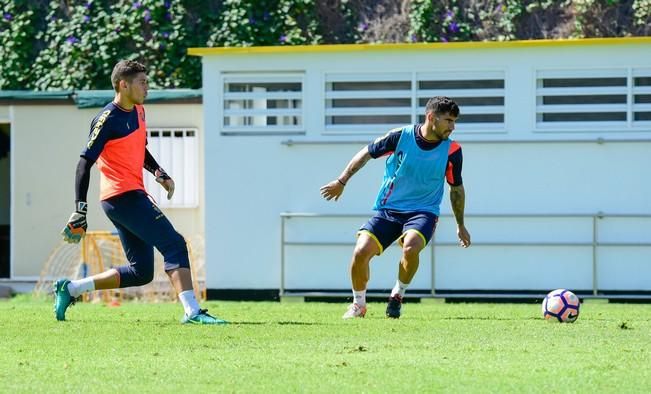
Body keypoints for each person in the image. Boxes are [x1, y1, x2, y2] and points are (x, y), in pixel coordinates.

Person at [56, 59, 226, 325]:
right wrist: (80, 209)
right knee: (174, 244)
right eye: (142, 82)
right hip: (121, 197)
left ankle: (72, 289)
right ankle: (192, 311)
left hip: (132, 195)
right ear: (124, 85)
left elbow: (139, 149)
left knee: (141, 272)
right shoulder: (106, 118)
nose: (147, 87)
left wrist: (159, 173)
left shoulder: (139, 112)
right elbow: (83, 163)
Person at [320, 96, 471, 319]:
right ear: (431, 117)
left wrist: (460, 224)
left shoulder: (453, 151)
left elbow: (456, 189)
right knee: (360, 252)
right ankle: (358, 305)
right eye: (448, 120)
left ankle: (397, 295)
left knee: (411, 247)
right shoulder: (400, 136)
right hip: (389, 210)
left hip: (424, 211)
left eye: (454, 121)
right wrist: (341, 181)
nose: (453, 126)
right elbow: (366, 153)